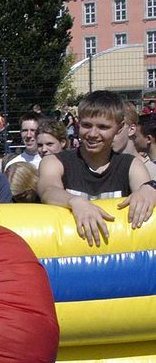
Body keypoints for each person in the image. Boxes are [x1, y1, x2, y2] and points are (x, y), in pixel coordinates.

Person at [37, 90, 156, 246]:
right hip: (69, 250)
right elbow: (48, 190)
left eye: (103, 127)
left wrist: (149, 188)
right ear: (78, 123)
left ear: (119, 128)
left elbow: (144, 195)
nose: (93, 134)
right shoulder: (55, 162)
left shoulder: (131, 165)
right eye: (86, 125)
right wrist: (75, 202)